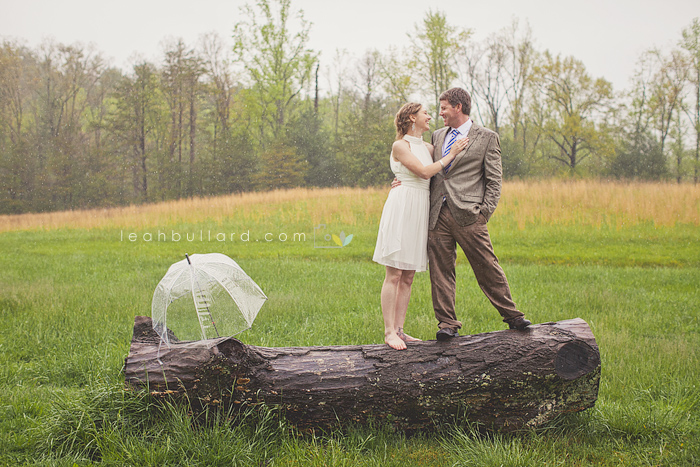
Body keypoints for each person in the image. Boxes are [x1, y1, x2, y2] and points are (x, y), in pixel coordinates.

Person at [427, 87, 531, 341]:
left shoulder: (486, 137)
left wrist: (483, 213)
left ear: (458, 107)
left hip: (469, 215)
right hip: (437, 213)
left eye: (444, 108)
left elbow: (494, 181)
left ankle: (512, 316)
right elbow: (431, 171)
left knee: (487, 266)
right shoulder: (437, 136)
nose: (440, 113)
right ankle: (447, 324)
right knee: (440, 271)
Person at [373, 103, 468, 350]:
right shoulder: (400, 145)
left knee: (408, 276)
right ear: (412, 117)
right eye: (425, 113)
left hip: (420, 208)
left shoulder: (429, 148)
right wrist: (452, 153)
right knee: (394, 273)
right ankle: (389, 332)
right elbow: (425, 172)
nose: (430, 116)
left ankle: (400, 330)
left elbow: (437, 175)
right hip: (402, 206)